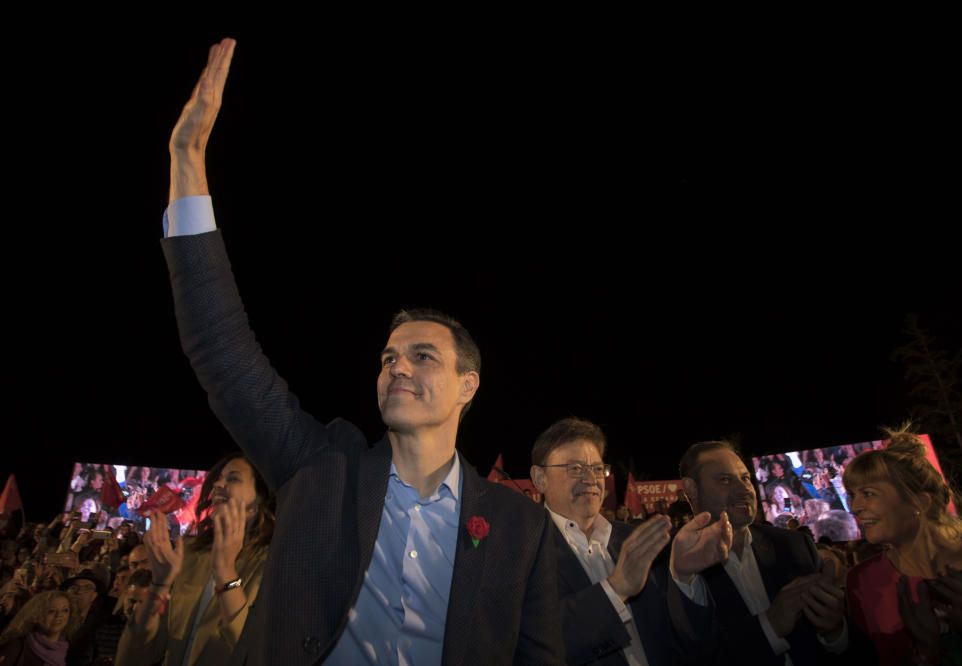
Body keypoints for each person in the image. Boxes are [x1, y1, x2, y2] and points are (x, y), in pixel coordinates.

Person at [158, 38, 561, 664]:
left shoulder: (519, 527)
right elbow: (222, 351)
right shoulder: (319, 469)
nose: (397, 365)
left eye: (423, 356)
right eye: (388, 358)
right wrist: (187, 159)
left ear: (468, 385)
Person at [529, 418, 729, 664]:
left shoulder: (640, 539)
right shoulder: (523, 552)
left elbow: (696, 641)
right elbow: (534, 646)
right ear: (539, 478)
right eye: (575, 468)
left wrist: (684, 577)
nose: (591, 479)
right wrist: (615, 589)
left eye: (596, 468)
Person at [671, 440, 870, 664]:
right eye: (725, 480)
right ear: (691, 490)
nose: (744, 489)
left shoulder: (796, 546)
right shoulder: (674, 571)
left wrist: (834, 631)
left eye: (745, 478)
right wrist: (770, 626)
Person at [844, 426, 962, 664]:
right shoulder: (863, 583)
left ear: (920, 501)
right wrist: (925, 650)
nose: (855, 507)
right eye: (851, 495)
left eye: (868, 493)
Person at [116, 454, 273, 666]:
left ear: (257, 503)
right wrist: (159, 585)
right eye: (219, 478)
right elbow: (137, 655)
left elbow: (253, 651)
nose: (218, 483)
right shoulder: (190, 551)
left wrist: (226, 573)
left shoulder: (273, 563)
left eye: (233, 478)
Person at [0, 590, 79, 665]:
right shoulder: (16, 647)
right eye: (51, 611)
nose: (59, 615)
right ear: (35, 617)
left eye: (65, 610)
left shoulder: (71, 650)